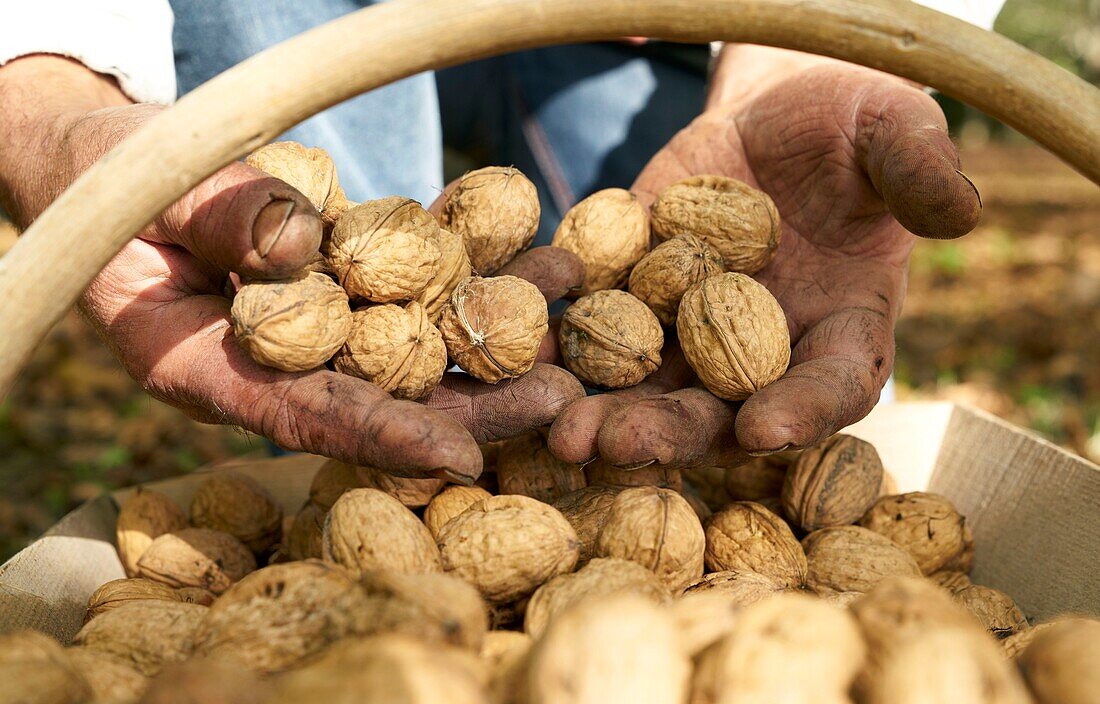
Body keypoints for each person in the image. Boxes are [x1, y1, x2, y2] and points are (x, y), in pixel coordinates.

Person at [0, 0, 1000, 480]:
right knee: (372, 398)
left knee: (700, 432)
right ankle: (363, 488)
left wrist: (806, 42)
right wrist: (45, 92)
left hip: (633, 28)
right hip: (313, 15)